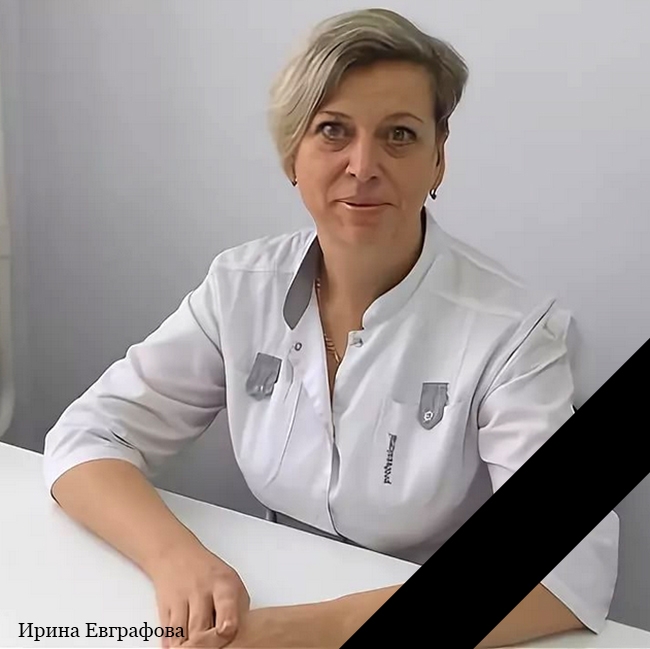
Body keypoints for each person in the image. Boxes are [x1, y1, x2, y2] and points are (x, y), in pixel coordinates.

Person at [42, 7, 619, 649]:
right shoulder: (241, 287)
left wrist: (306, 631)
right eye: (333, 130)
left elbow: (568, 572)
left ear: (438, 159)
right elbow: (89, 434)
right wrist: (178, 560)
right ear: (293, 152)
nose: (363, 165)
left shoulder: (516, 332)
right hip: (270, 587)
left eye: (399, 134)